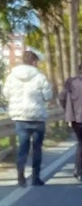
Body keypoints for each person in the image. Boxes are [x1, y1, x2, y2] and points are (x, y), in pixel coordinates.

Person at [2, 51, 53, 187]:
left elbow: (6, 93)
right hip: (37, 117)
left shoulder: (12, 76)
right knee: (37, 148)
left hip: (20, 117)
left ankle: (21, 177)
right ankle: (36, 178)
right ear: (34, 62)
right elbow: (48, 95)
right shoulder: (40, 76)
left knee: (23, 148)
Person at [59, 63, 82, 183]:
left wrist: (68, 111)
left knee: (80, 143)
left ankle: (77, 169)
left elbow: (62, 97)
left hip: (74, 118)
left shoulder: (71, 82)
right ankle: (81, 172)